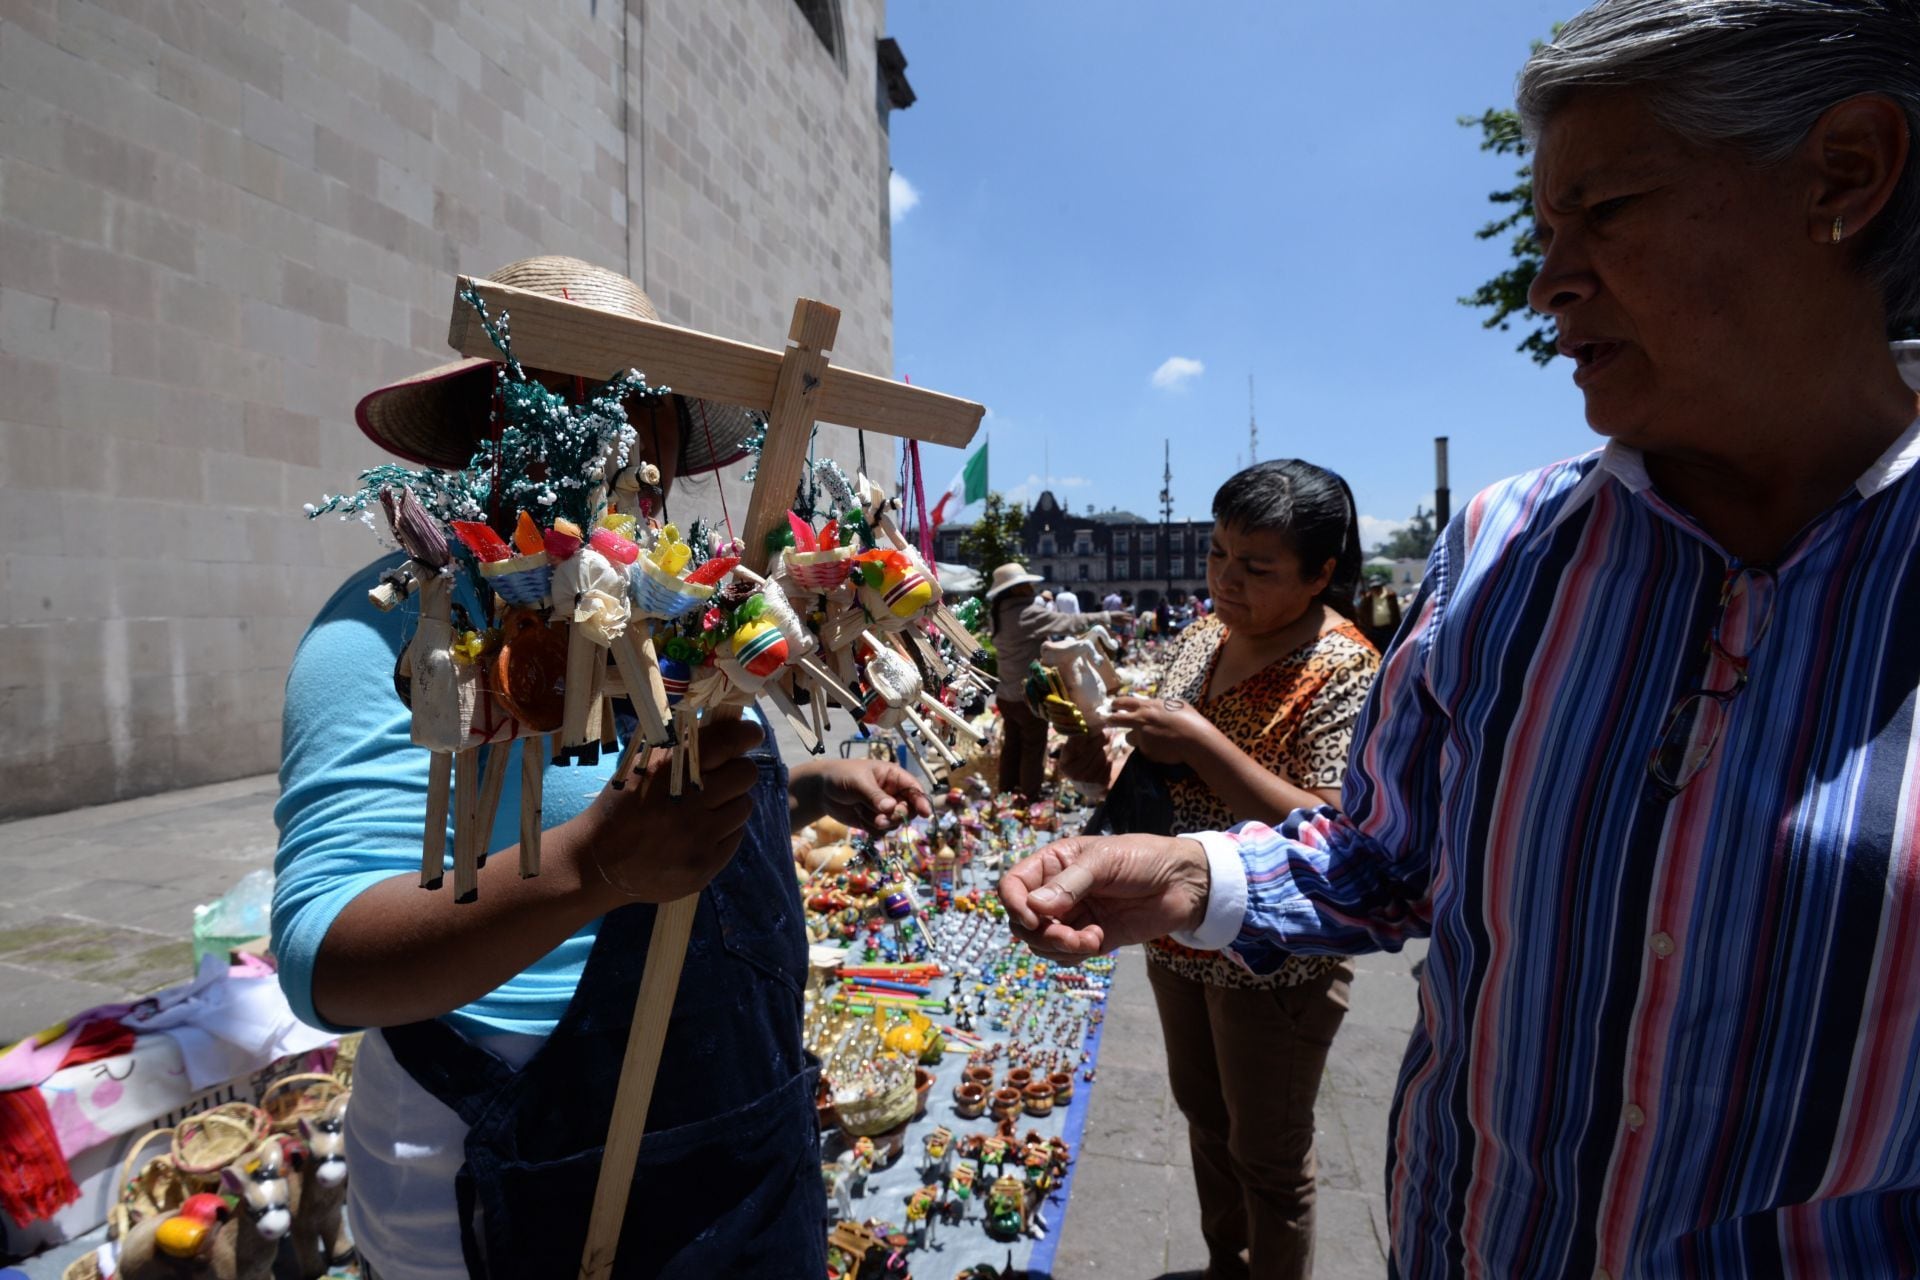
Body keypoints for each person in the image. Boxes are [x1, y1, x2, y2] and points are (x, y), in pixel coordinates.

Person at [1000, 5, 1920, 1276]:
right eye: (1546, 232)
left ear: (1846, 175)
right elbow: (1384, 853)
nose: (1550, 282)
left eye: (1608, 210)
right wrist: (1185, 878)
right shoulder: (1504, 551)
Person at [272, 257, 931, 1279]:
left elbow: (662, 828)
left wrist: (797, 797)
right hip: (524, 1161)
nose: (603, 440)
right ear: (487, 425)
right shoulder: (395, 627)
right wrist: (592, 866)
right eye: (563, 402)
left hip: (743, 1130)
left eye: (631, 410)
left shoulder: (686, 607)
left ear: (668, 436)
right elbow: (327, 962)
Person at [1100, 460, 1378, 1280]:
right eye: (1219, 554)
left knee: (1270, 1155)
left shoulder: (1346, 669)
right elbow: (1159, 759)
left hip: (1272, 955)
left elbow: (1332, 828)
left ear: (1323, 572)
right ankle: (1229, 1263)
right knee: (1205, 1117)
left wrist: (1201, 744)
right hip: (1177, 924)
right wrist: (1109, 753)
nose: (1226, 580)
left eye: (1257, 568)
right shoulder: (1202, 635)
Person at [985, 562, 1112, 799]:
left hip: (1005, 695)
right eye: (1025, 585)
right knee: (1033, 748)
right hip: (1027, 698)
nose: (1031, 587)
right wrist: (1105, 616)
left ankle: (1006, 794)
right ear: (1015, 590)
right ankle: (1029, 798)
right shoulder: (1026, 613)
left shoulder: (998, 612)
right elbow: (1068, 622)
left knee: (1011, 746)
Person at [1357, 573, 1402, 650]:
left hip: (1388, 631)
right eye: (1374, 588)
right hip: (1372, 631)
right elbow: (1361, 614)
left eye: (1378, 587)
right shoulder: (1367, 599)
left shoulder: (1391, 596)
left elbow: (1396, 614)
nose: (1376, 590)